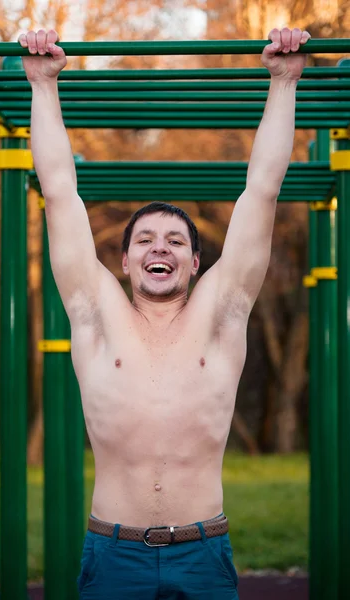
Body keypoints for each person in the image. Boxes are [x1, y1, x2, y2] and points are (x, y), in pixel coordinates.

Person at [19, 26, 310, 600]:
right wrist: (43, 84)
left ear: (197, 262)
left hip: (202, 552)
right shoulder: (95, 315)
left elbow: (261, 191)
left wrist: (284, 80)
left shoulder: (223, 315)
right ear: (123, 261)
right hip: (113, 551)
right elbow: (59, 190)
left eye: (176, 241)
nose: (159, 248)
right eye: (145, 240)